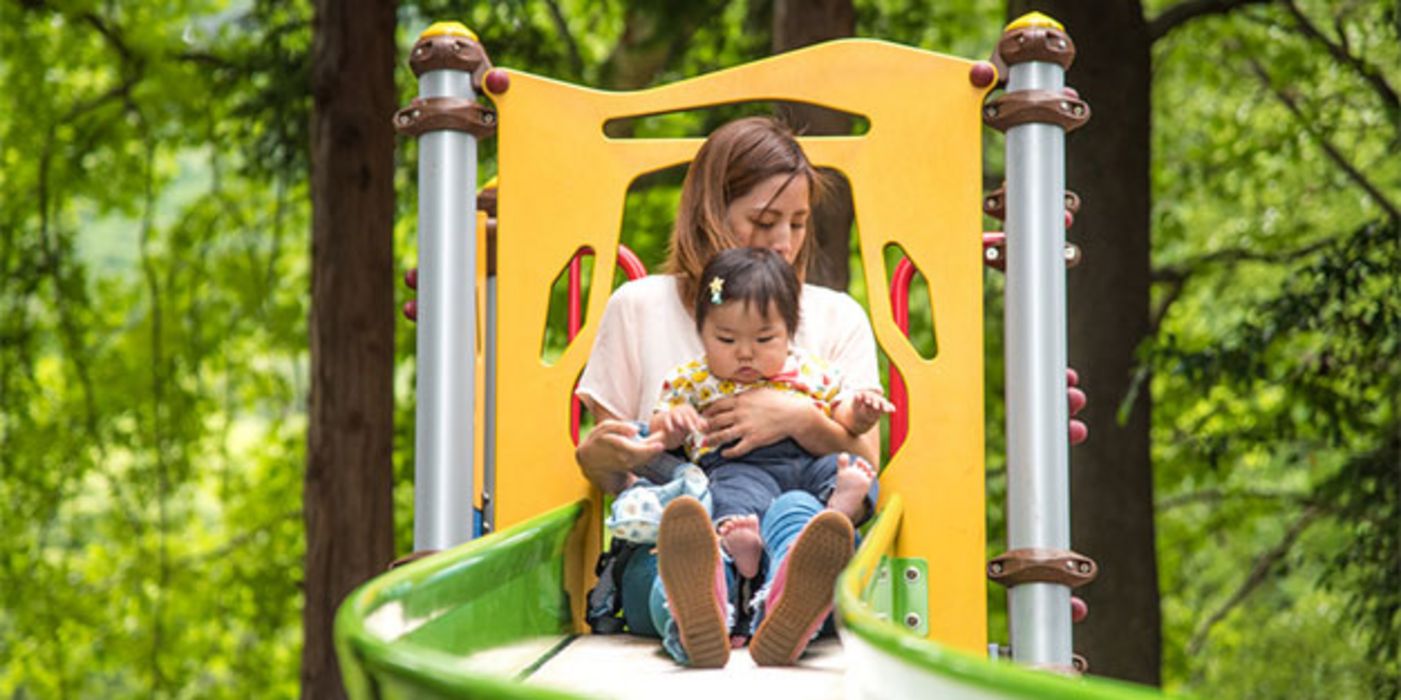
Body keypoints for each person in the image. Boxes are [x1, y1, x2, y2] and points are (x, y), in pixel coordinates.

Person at [575, 116, 881, 668]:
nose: (784, 243)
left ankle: (788, 602)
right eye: (764, 221)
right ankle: (697, 615)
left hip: (797, 526)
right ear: (711, 212)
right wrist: (611, 454)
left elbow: (862, 465)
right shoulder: (639, 307)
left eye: (799, 223)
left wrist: (793, 417)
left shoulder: (837, 316)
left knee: (806, 523)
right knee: (673, 545)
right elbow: (613, 477)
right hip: (683, 533)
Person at [607, 247, 891, 581]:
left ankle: (837, 508)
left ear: (789, 332)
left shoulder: (811, 370)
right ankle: (742, 545)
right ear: (702, 332)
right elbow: (658, 432)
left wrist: (861, 413)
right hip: (738, 464)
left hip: (809, 458)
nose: (745, 353)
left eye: (764, 338)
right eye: (726, 339)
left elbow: (842, 417)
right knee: (729, 497)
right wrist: (673, 421)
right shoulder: (693, 379)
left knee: (851, 469)